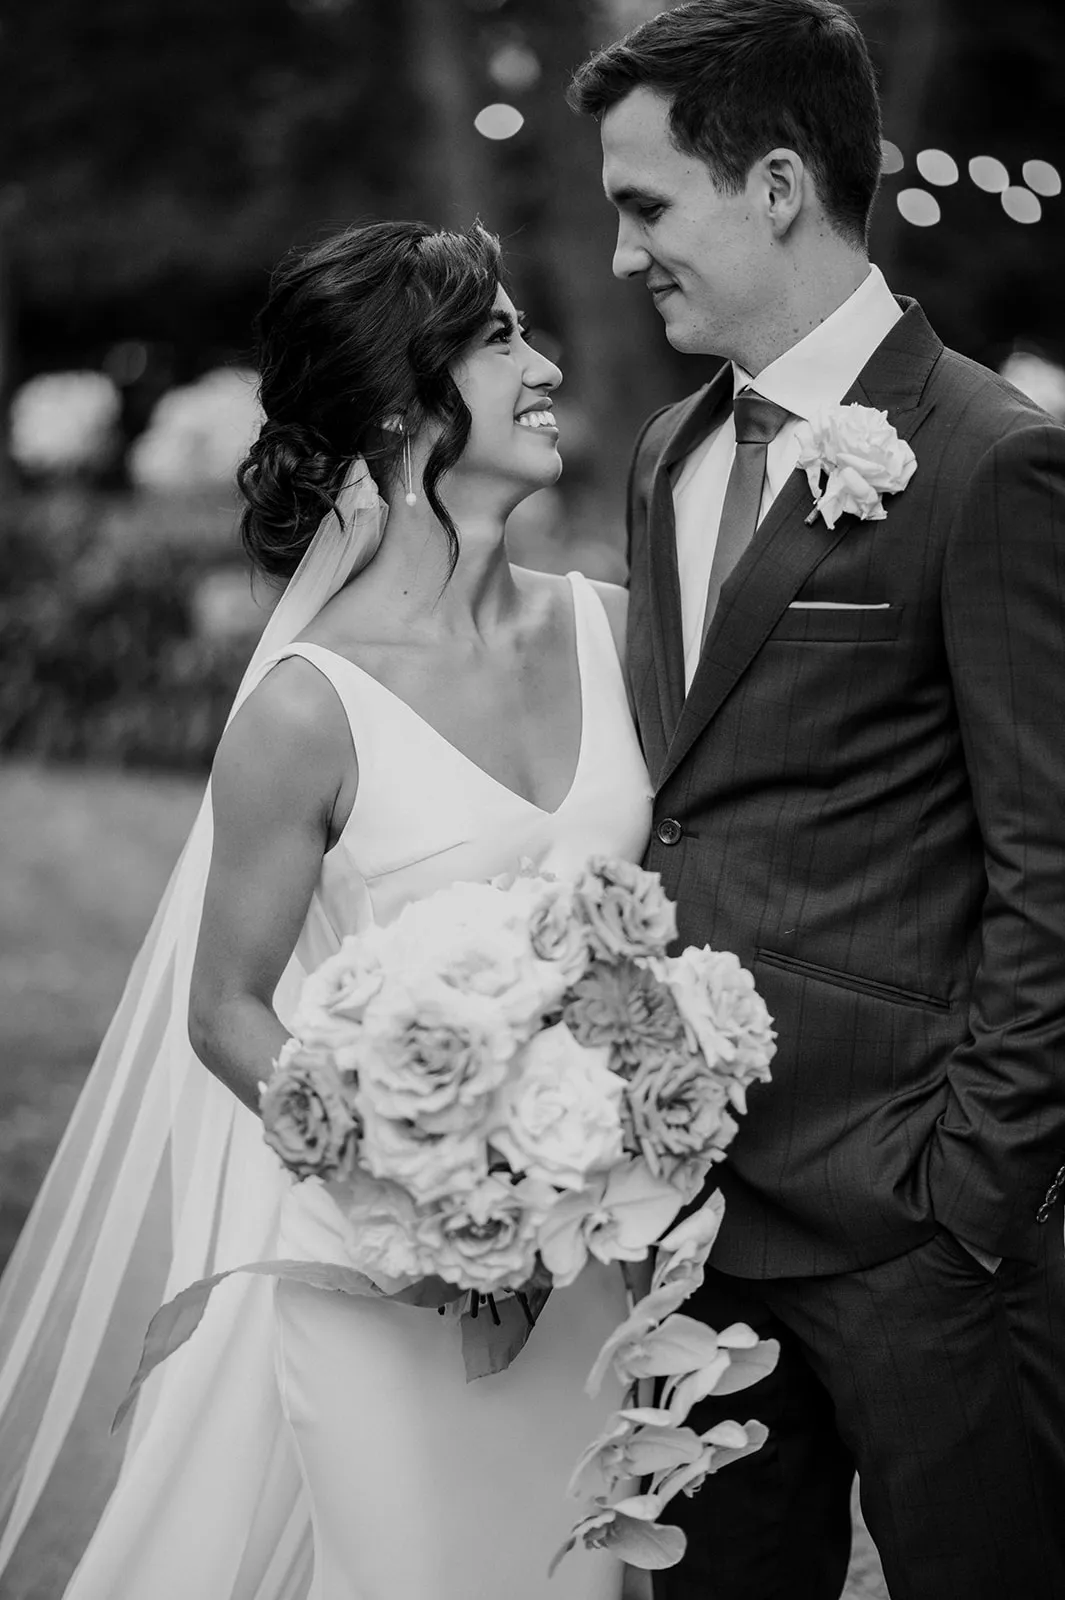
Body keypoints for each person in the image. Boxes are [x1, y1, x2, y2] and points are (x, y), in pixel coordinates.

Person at [0, 220, 652, 1600]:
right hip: (388, 1278)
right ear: (406, 407)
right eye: (500, 340)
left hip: (593, 1263)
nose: (543, 369)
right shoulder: (309, 710)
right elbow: (225, 1007)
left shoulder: (615, 626)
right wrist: (417, 1191)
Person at [569, 3, 1065, 1597]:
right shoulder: (665, 453)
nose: (628, 250)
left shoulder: (993, 459)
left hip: (919, 1222)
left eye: (648, 205)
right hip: (695, 1220)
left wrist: (972, 1189)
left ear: (777, 184)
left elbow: (1051, 861)